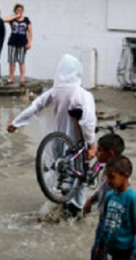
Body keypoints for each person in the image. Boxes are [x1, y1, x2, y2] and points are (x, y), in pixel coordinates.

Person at [7, 54, 96, 216]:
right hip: (75, 142)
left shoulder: (54, 92)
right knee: (80, 178)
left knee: (63, 175)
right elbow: (88, 121)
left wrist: (15, 123)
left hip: (58, 142)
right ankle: (75, 213)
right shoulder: (82, 95)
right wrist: (91, 144)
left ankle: (64, 203)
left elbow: (35, 107)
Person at [82, 133, 126, 260]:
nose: (96, 153)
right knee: (99, 252)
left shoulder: (116, 177)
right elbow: (101, 191)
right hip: (104, 219)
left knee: (102, 253)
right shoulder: (108, 170)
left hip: (111, 222)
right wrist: (91, 200)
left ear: (110, 154)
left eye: (99, 150)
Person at [4, 4, 32, 86]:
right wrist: (15, 16)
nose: (19, 11)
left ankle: (22, 78)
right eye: (17, 10)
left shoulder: (26, 19)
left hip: (23, 43)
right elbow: (4, 20)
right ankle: (11, 78)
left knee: (21, 61)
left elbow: (30, 32)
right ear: (15, 10)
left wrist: (29, 42)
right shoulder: (12, 19)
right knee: (12, 61)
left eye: (21, 10)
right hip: (12, 42)